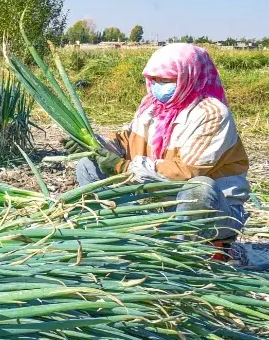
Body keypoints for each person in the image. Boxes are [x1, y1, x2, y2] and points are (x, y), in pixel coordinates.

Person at [68, 43, 250, 249]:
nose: (157, 86)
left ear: (189, 77)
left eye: (166, 80)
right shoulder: (151, 106)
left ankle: (182, 254)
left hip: (213, 208)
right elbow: (125, 141)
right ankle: (118, 236)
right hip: (158, 202)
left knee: (199, 188)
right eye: (154, 79)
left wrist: (123, 167)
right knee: (88, 165)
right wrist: (93, 145)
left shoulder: (211, 115)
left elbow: (185, 172)